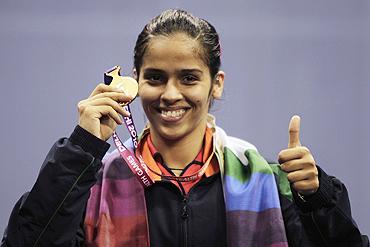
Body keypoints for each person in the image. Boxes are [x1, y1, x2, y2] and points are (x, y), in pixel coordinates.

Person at [1, 9, 368, 247]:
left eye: (189, 78)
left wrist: (318, 200)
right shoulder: (94, 183)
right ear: (135, 82)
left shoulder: (269, 181)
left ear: (216, 83)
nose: (170, 94)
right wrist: (80, 150)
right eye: (156, 78)